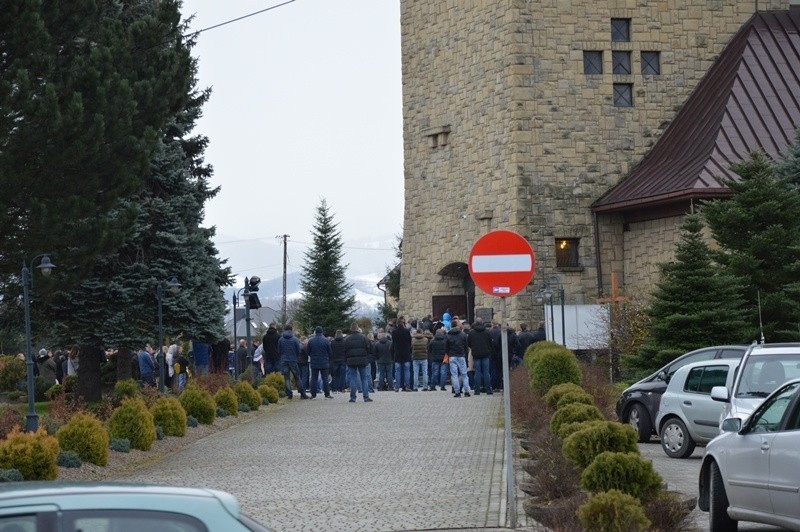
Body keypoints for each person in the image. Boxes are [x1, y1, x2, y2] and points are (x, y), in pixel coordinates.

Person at [344, 323, 372, 403]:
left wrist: (347, 359)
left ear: (351, 328)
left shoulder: (347, 339)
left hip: (351, 361)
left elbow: (344, 350)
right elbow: (369, 348)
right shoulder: (364, 338)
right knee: (364, 378)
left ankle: (353, 397)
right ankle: (366, 397)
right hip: (362, 360)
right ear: (357, 328)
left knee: (353, 379)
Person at [277, 325, 308, 400]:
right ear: (291, 330)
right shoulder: (295, 339)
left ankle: (289, 394)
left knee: (286, 378)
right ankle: (302, 393)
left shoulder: (281, 339)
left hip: (284, 360)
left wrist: (282, 357)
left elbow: (279, 350)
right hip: (293, 360)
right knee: (297, 376)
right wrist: (295, 357)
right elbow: (298, 350)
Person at [467, 317, 493, 395]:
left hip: (476, 354)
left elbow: (468, 343)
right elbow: (490, 343)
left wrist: (474, 349)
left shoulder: (471, 333)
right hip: (486, 354)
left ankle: (477, 390)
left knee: (477, 372)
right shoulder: (487, 332)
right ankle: (488, 389)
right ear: (482, 323)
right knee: (486, 372)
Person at [307, 326, 333, 399]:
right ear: (322, 332)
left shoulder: (311, 341)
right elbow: (330, 352)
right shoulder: (326, 340)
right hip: (324, 362)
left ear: (315, 332)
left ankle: (313, 395)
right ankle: (327, 394)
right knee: (325, 378)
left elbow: (308, 352)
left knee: (314, 378)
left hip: (314, 362)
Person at [445, 324, 471, 397]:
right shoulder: (463, 335)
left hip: (452, 356)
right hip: (461, 356)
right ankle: (466, 391)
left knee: (454, 375)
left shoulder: (448, 335)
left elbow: (446, 347)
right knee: (464, 374)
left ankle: (457, 392)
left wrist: (449, 353)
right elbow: (466, 346)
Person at [391, 317, 412, 391]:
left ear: (397, 324)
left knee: (397, 371)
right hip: (406, 352)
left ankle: (397, 386)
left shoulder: (394, 332)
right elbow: (410, 342)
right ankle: (407, 386)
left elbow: (393, 343)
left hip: (397, 353)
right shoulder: (407, 331)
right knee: (407, 371)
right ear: (403, 324)